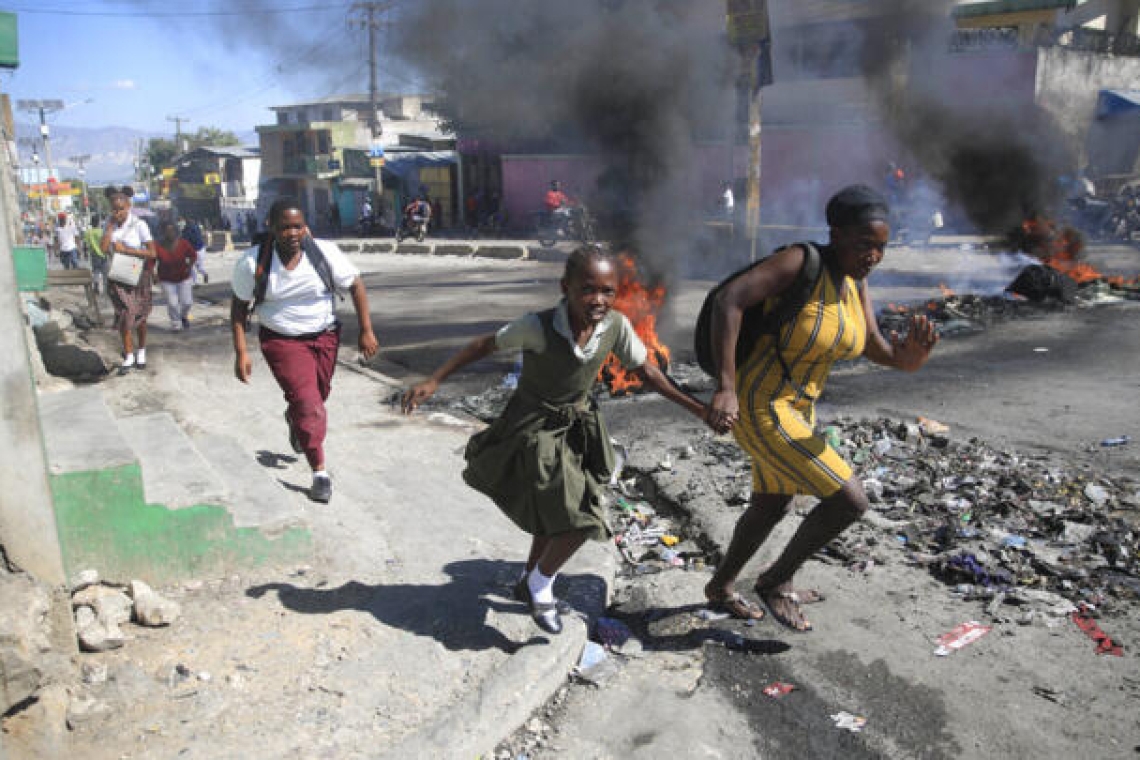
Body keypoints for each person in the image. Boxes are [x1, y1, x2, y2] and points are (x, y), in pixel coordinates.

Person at [402, 246, 716, 634]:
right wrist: (434, 380)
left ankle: (528, 580)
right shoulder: (537, 327)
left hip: (577, 427)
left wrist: (698, 409)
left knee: (557, 514)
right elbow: (482, 345)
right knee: (582, 520)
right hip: (534, 428)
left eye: (607, 291)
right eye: (587, 290)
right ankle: (540, 585)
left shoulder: (615, 326)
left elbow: (648, 372)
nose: (598, 300)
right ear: (565, 287)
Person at [704, 184, 938, 631]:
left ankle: (720, 587)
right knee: (850, 501)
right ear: (836, 233)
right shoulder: (800, 261)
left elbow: (873, 345)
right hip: (760, 402)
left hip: (799, 408)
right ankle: (776, 581)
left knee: (773, 502)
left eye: (881, 247)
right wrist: (726, 386)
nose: (873, 255)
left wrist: (907, 360)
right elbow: (728, 300)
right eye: (864, 243)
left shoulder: (856, 283)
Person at [230, 197, 379, 503]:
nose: (293, 233)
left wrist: (366, 330)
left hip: (324, 337)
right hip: (282, 341)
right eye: (285, 227)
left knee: (317, 396)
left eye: (298, 226)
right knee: (310, 404)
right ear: (271, 228)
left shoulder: (324, 252)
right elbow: (238, 309)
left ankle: (295, 419)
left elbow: (356, 285)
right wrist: (241, 351)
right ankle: (320, 473)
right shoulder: (252, 262)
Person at [102, 185, 158, 374]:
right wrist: (109, 229)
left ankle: (141, 351)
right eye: (114, 209)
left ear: (128, 207)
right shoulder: (108, 224)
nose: (117, 213)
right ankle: (129, 354)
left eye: (121, 209)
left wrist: (128, 250)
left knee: (140, 316)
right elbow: (103, 249)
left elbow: (152, 252)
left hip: (138, 274)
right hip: (119, 275)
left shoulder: (139, 225)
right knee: (124, 316)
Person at [155, 221, 198, 331]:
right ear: (163, 232)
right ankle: (176, 323)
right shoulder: (158, 245)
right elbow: (151, 261)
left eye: (172, 230)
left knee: (187, 302)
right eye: (167, 231)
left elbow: (193, 255)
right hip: (166, 279)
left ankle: (184, 317)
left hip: (183, 277)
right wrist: (153, 275)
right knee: (172, 303)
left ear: (176, 231)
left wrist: (189, 266)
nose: (170, 233)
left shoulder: (183, 243)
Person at [84, 214, 109, 294]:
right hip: (104, 254)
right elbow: (107, 243)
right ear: (98, 222)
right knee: (105, 272)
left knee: (96, 271)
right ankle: (106, 290)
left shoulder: (88, 232)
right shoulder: (102, 231)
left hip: (94, 254)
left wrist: (85, 253)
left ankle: (96, 288)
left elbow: (86, 244)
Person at [181, 217, 209, 284]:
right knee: (199, 268)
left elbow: (184, 241)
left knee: (192, 267)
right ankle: (205, 274)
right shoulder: (197, 228)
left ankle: (195, 282)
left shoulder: (186, 231)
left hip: (194, 251)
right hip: (201, 249)